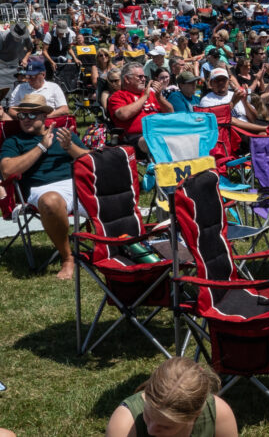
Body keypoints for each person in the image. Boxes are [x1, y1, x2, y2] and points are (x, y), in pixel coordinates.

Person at [0, 94, 88, 280]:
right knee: (51, 201)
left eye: (32, 115)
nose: (25, 120)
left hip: (76, 183)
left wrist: (70, 147)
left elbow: (91, 159)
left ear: (44, 116)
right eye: (22, 115)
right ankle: (67, 258)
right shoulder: (14, 142)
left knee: (114, 191)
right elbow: (7, 169)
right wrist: (41, 147)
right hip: (40, 189)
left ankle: (120, 246)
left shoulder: (64, 134)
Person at [105, 356, 238, 437]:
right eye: (148, 416)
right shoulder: (124, 424)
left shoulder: (218, 414)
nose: (151, 430)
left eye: (166, 426)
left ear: (195, 415)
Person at [108, 63, 173, 154]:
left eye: (144, 77)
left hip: (160, 131)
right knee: (157, 140)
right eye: (140, 77)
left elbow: (170, 113)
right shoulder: (118, 96)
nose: (143, 79)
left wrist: (159, 97)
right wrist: (145, 97)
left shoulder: (152, 94)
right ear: (127, 79)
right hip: (136, 137)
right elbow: (123, 114)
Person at [5, 58, 69, 119]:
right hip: (25, 122)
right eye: (28, 76)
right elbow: (11, 110)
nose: (30, 79)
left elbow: (64, 110)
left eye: (33, 76)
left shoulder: (54, 87)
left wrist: (43, 118)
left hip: (47, 122)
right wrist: (23, 117)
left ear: (43, 74)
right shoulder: (20, 88)